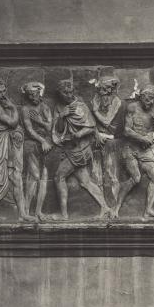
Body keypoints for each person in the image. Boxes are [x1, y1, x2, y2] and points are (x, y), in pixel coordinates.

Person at [51, 79, 112, 220]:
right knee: (86, 182)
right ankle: (105, 207)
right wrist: (62, 116)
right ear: (59, 94)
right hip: (70, 149)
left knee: (59, 177)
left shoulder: (81, 106)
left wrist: (77, 134)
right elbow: (59, 129)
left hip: (80, 150)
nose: (68, 95)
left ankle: (64, 215)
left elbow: (90, 126)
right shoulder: (61, 108)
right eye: (64, 93)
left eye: (70, 92)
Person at [0, 79, 35, 222]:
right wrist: (12, 107)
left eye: (4, 91)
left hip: (9, 145)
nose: (2, 94)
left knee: (17, 178)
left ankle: (22, 213)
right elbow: (12, 122)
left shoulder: (1, 105)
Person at [113, 84, 154, 218]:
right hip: (130, 149)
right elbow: (126, 130)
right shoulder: (132, 107)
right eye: (147, 99)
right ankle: (116, 207)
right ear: (141, 97)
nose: (150, 102)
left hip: (145, 149)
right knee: (136, 178)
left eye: (153, 99)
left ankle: (148, 210)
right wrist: (143, 139)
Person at [89, 74, 126, 206]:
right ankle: (102, 207)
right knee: (96, 175)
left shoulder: (116, 101)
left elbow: (106, 121)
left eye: (107, 89)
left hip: (112, 140)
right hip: (97, 139)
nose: (104, 91)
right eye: (102, 89)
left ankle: (114, 206)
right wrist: (96, 133)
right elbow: (90, 122)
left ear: (112, 89)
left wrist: (94, 110)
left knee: (111, 174)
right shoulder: (96, 99)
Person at [20, 81, 53, 220]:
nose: (33, 97)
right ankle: (26, 211)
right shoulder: (25, 109)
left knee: (44, 178)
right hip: (32, 144)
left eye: (35, 94)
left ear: (39, 94)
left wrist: (40, 121)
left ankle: (38, 211)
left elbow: (50, 127)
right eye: (30, 95)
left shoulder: (45, 107)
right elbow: (28, 129)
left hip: (46, 145)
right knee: (33, 177)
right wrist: (42, 140)